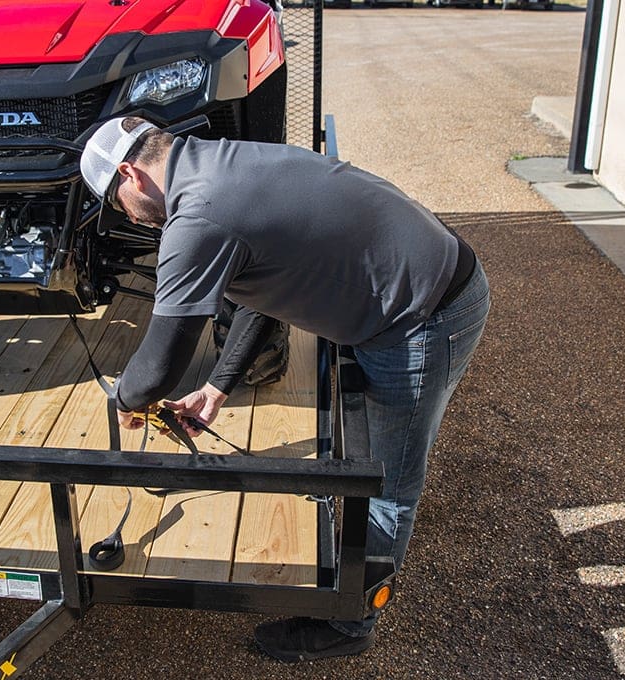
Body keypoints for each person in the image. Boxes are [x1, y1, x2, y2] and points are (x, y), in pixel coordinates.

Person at [79, 116, 490, 662]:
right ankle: (355, 575)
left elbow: (157, 365)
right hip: (417, 283)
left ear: (131, 173)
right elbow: (261, 285)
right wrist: (219, 386)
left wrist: (124, 399)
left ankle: (350, 625)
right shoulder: (220, 162)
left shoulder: (196, 215)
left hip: (422, 315)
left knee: (385, 483)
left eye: (117, 203)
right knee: (365, 457)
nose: (129, 216)